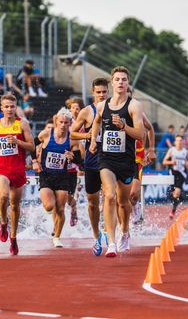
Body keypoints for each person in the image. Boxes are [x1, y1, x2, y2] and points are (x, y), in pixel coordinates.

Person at [89, 67, 145, 257]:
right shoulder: (102, 106)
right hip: (106, 158)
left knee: (123, 202)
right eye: (117, 79)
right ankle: (111, 243)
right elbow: (96, 122)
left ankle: (125, 232)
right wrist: (93, 141)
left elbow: (141, 135)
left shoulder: (134, 106)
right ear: (112, 83)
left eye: (124, 79)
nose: (120, 82)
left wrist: (123, 126)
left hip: (126, 161)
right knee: (109, 196)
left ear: (128, 83)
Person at [0, 93, 35, 255]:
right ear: (1, 108)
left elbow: (32, 146)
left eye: (12, 106)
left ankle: (13, 238)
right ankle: (3, 222)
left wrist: (17, 142)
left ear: (16, 108)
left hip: (18, 168)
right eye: (6, 106)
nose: (9, 109)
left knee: (15, 205)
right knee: (3, 196)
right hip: (0, 167)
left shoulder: (23, 124)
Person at [70, 78, 108, 256]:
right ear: (93, 92)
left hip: (111, 160)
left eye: (104, 92)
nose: (101, 95)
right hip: (92, 161)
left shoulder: (115, 109)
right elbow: (73, 133)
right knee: (93, 202)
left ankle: (109, 231)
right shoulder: (87, 111)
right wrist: (89, 136)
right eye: (98, 92)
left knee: (110, 197)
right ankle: (96, 236)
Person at [34, 108, 81, 248]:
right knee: (49, 206)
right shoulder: (46, 134)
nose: (63, 125)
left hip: (62, 176)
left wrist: (72, 157)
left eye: (66, 122)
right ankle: (50, 213)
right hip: (46, 175)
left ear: (70, 123)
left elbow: (79, 159)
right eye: (61, 122)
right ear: (56, 122)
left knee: (60, 209)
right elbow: (31, 145)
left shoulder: (73, 140)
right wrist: (34, 161)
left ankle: (57, 237)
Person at [130, 111, 155, 224]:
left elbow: (150, 128)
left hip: (137, 160)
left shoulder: (139, 113)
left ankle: (135, 209)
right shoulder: (113, 111)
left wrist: (151, 150)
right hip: (120, 159)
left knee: (133, 194)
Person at [65, 97, 85, 227]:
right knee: (69, 190)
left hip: (83, 153)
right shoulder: (66, 121)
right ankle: (73, 207)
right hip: (70, 153)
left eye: (77, 108)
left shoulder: (84, 120)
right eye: (73, 108)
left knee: (81, 178)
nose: (75, 110)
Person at [162, 135, 188, 219]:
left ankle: (173, 211)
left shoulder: (185, 152)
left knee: (177, 192)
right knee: (174, 193)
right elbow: (164, 162)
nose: (179, 142)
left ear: (183, 142)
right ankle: (180, 199)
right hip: (173, 172)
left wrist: (187, 164)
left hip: (181, 173)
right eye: (177, 140)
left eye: (180, 140)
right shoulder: (172, 150)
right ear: (175, 142)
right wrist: (171, 162)